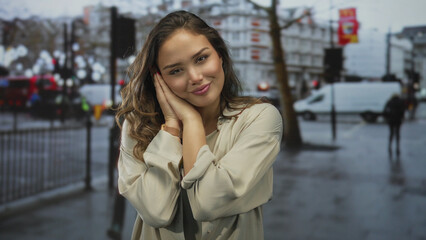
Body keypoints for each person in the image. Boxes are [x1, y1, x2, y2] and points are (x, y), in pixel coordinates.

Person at [115, 11, 283, 240]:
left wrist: (191, 123)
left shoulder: (258, 119)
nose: (194, 77)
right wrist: (173, 126)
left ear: (220, 55)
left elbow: (207, 202)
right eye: (175, 70)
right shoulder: (137, 126)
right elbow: (156, 212)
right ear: (159, 79)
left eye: (201, 59)